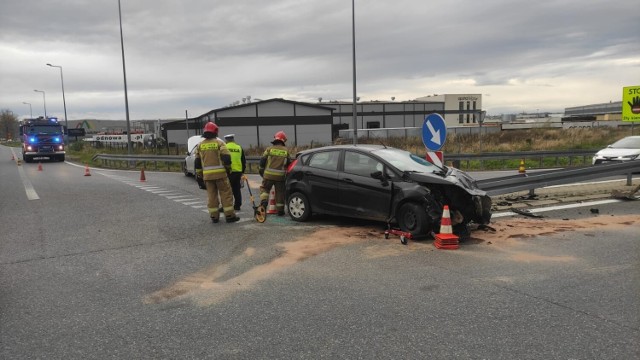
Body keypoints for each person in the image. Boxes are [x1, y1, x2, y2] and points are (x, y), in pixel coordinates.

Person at [194, 122, 239, 223]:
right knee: (226, 194)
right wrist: (228, 169)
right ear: (215, 132)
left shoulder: (200, 145)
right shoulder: (220, 143)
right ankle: (230, 216)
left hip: (207, 176)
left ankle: (214, 216)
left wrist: (199, 175)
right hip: (221, 175)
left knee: (211, 196)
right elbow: (226, 158)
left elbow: (197, 162)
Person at [259, 131, 291, 216]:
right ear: (283, 141)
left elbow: (262, 161)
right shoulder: (286, 151)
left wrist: (261, 170)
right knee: (280, 193)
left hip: (268, 175)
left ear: (275, 139)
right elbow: (289, 163)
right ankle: (280, 211)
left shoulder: (269, 149)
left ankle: (264, 202)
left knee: (265, 189)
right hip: (280, 177)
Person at [223, 134, 246, 211]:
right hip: (238, 172)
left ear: (226, 140)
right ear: (233, 140)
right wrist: (242, 171)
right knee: (236, 189)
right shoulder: (239, 147)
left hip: (228, 171)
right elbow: (243, 160)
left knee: (227, 190)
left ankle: (226, 206)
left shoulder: (225, 147)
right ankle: (237, 205)